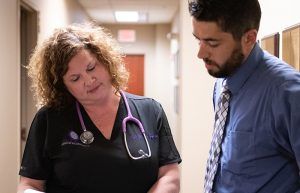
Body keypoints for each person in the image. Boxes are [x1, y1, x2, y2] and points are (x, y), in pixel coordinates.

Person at [17, 22, 181, 193]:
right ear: (62, 86)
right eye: (75, 78)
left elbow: (169, 175)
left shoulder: (151, 110)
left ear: (105, 60)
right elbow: (29, 185)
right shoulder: (49, 119)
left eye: (91, 68)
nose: (89, 80)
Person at [189, 0, 300, 192]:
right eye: (198, 40)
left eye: (212, 43)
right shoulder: (221, 83)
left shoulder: (287, 92)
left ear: (249, 38)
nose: (200, 53)